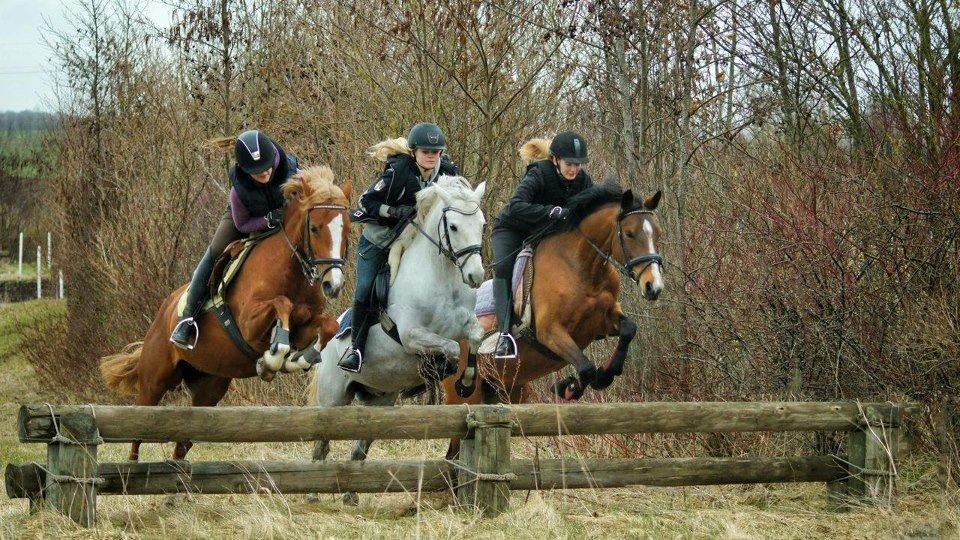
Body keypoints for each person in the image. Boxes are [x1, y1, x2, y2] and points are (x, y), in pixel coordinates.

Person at [338, 122, 459, 373]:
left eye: (435, 152)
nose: (431, 156)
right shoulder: (397, 172)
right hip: (380, 241)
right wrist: (392, 211)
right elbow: (366, 201)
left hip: (416, 244)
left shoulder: (447, 172)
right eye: (425, 151)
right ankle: (356, 350)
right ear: (414, 152)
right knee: (364, 290)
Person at [169, 129, 299, 349]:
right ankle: (188, 319)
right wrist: (267, 221)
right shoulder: (239, 192)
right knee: (214, 251)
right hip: (247, 218)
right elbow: (243, 225)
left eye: (266, 168)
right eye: (257, 173)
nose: (264, 174)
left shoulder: (292, 171)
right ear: (245, 170)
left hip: (284, 216)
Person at [490, 131, 594, 359]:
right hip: (512, 228)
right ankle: (504, 335)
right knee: (503, 268)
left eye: (578, 165)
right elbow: (516, 205)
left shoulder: (583, 181)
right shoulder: (538, 174)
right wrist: (554, 211)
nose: (574, 170)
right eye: (569, 164)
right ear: (554, 160)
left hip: (544, 233)